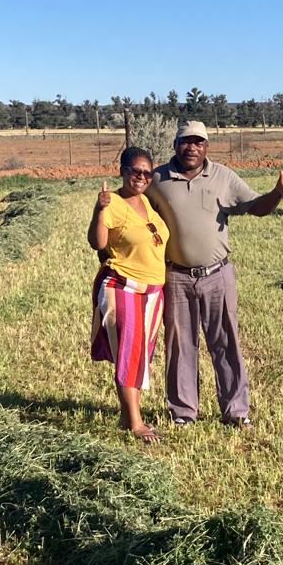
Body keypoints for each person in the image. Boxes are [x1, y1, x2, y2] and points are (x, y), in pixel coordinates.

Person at [146, 120, 283, 429]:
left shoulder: (223, 176)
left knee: (226, 342)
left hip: (217, 275)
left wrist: (277, 194)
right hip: (175, 276)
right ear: (175, 145)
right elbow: (134, 207)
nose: (192, 147)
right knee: (179, 345)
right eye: (186, 141)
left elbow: (255, 206)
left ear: (206, 147)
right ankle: (184, 413)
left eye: (198, 142)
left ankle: (236, 412)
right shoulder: (157, 179)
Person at [88, 146, 170, 443]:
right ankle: (135, 423)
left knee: (138, 355)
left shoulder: (146, 203)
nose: (141, 177)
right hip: (123, 287)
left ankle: (126, 415)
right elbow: (97, 242)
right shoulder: (113, 203)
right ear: (122, 170)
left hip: (151, 292)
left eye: (147, 173)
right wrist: (99, 209)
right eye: (135, 171)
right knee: (130, 352)